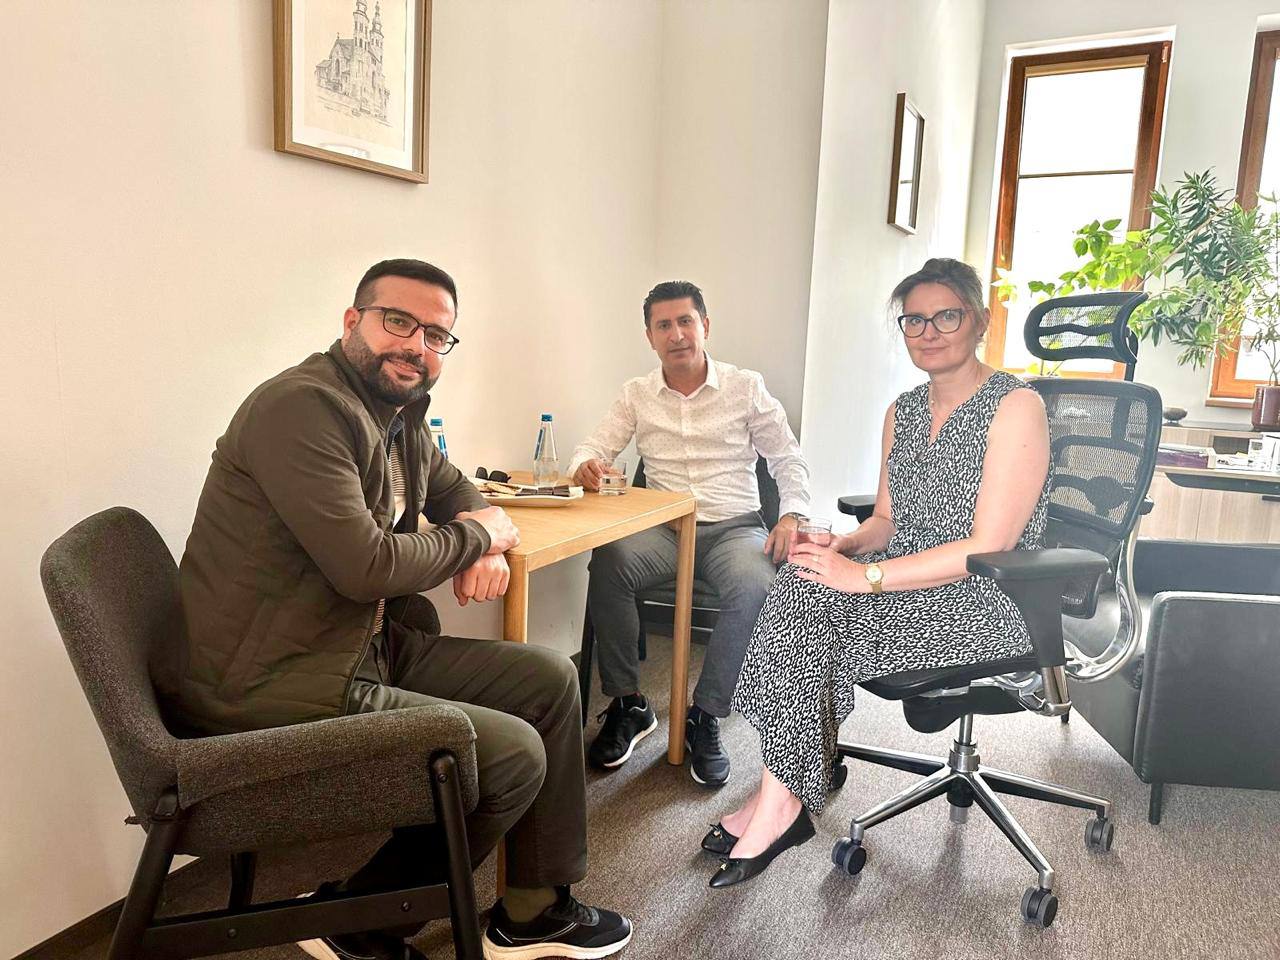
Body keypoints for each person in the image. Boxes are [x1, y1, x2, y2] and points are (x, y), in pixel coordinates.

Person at [166, 259, 632, 960]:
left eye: (436, 335)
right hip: (271, 681)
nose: (417, 345)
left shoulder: (397, 415)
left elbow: (458, 489)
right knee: (510, 755)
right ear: (352, 321)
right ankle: (358, 923)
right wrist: (478, 539)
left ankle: (533, 909)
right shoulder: (302, 408)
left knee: (549, 678)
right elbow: (368, 567)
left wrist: (479, 533)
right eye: (398, 322)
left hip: (352, 646)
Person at [705, 258, 1052, 887]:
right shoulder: (904, 410)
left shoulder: (1016, 406)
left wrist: (861, 577)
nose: (929, 331)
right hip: (907, 578)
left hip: (987, 597)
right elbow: (888, 520)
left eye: (946, 316)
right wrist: (844, 545)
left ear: (980, 320)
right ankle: (783, 790)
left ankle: (782, 801)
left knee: (813, 608)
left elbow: (990, 544)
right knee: (800, 583)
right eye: (914, 320)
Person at [569, 280, 811, 787]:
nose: (676, 334)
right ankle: (629, 703)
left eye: (685, 321)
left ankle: (706, 714)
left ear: (705, 326)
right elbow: (592, 448)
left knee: (757, 584)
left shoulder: (745, 387)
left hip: (734, 529)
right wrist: (585, 465)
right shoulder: (636, 394)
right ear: (650, 337)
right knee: (609, 561)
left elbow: (787, 458)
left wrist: (792, 515)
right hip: (663, 532)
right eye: (664, 325)